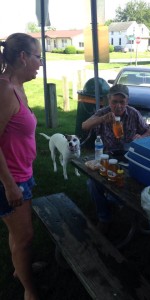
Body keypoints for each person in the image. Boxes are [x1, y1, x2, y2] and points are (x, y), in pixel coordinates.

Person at [0, 33, 43, 300]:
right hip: (10, 180)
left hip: (21, 175)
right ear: (23, 57)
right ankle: (30, 291)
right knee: (25, 237)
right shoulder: (4, 90)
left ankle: (20, 269)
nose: (40, 63)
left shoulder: (18, 86)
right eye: (38, 57)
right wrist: (9, 185)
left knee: (16, 233)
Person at [82, 84, 150, 233]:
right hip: (108, 157)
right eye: (115, 102)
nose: (118, 105)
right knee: (93, 183)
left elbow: (149, 130)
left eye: (122, 101)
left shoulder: (133, 113)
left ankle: (128, 210)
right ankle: (104, 217)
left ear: (127, 101)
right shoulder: (104, 112)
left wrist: (142, 136)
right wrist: (101, 119)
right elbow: (84, 125)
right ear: (109, 100)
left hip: (129, 157)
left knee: (137, 182)